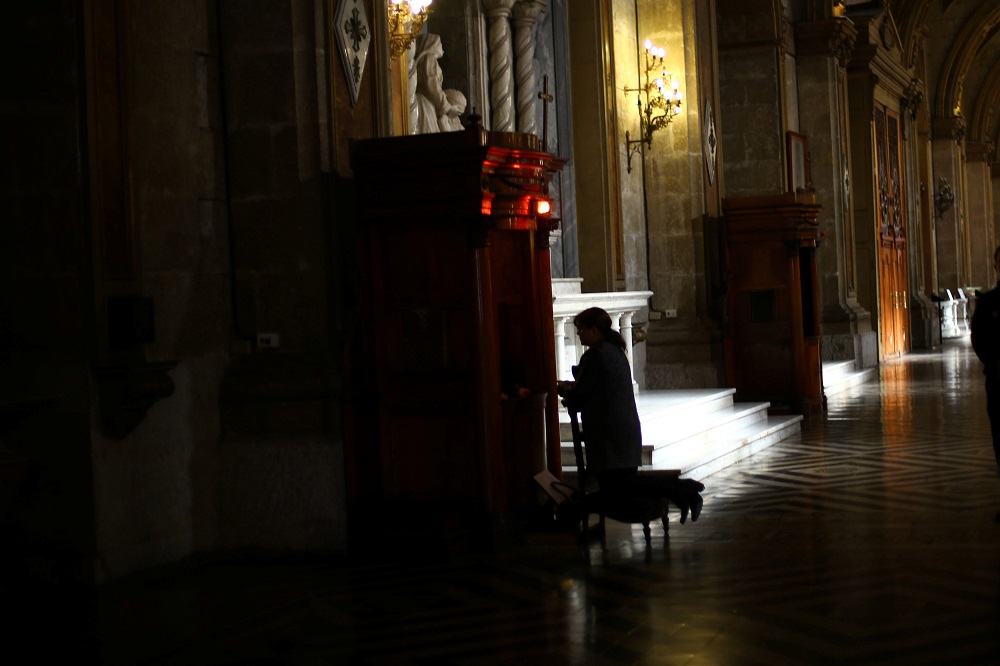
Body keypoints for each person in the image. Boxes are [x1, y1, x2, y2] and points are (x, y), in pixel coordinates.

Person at [558, 307, 703, 522]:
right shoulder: (614, 350)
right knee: (625, 486)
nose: (578, 334)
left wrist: (561, 388)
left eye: (581, 329)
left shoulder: (597, 355)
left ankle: (681, 488)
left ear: (595, 330)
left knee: (619, 488)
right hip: (622, 432)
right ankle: (680, 491)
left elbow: (581, 392)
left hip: (609, 436)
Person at [971, 244, 1000, 520]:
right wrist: (992, 363)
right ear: (995, 266)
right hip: (999, 380)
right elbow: (977, 339)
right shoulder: (988, 302)